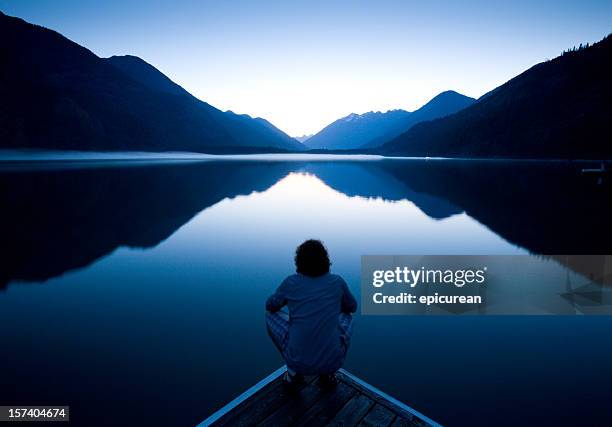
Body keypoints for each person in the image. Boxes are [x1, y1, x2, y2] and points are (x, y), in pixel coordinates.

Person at [265, 239, 357, 390]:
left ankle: (293, 374)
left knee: (269, 315)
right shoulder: (337, 282)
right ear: (325, 260)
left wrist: (292, 304)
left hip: (297, 361)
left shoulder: (291, 283)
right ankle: (327, 375)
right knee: (348, 315)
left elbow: (270, 306)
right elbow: (352, 307)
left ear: (299, 262)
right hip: (333, 362)